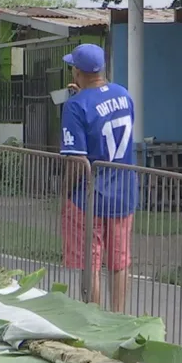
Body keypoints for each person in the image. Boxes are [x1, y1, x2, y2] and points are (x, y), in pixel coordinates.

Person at [59, 43, 137, 314]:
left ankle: (94, 318)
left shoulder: (75, 106)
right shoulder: (124, 95)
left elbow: (78, 161)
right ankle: (118, 315)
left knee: (89, 262)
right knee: (119, 261)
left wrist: (64, 192)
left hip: (88, 197)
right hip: (124, 192)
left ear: (77, 71)